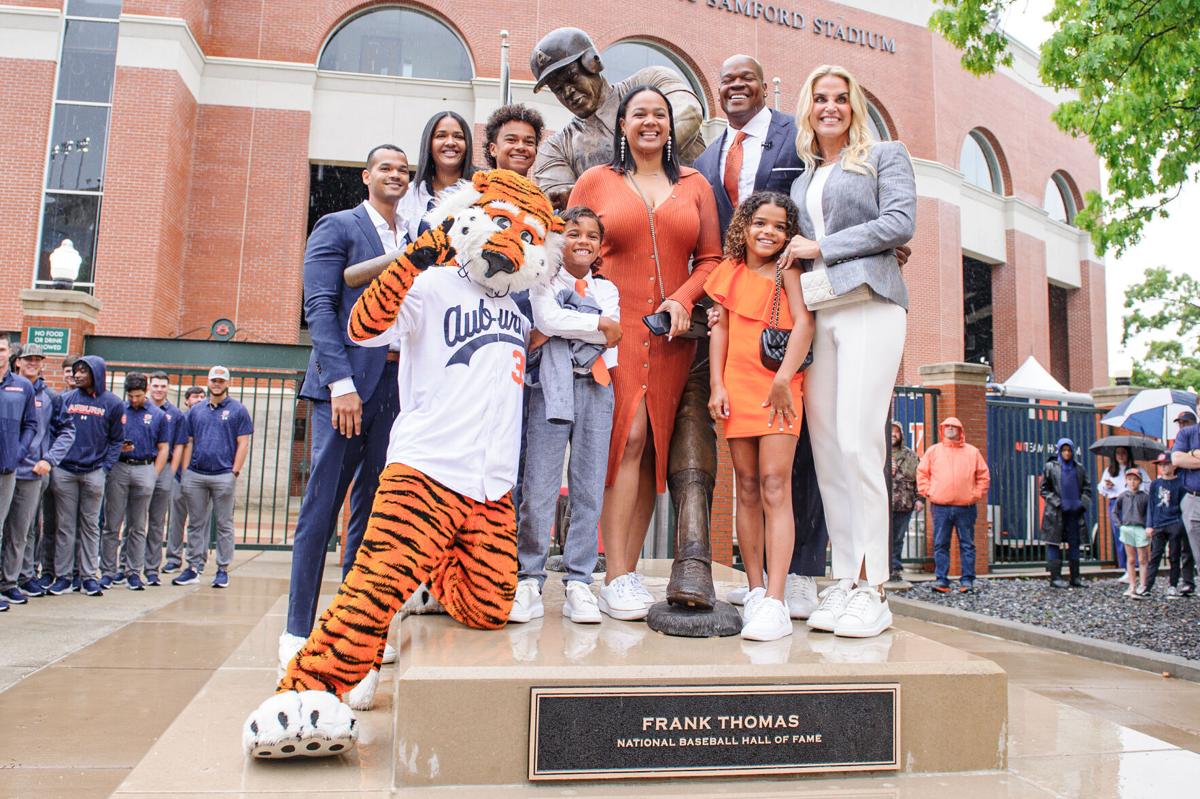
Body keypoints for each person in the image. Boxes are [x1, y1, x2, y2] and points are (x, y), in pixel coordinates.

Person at [566, 85, 722, 620]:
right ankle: (610, 574)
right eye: (639, 114)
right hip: (615, 330)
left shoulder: (696, 185)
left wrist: (683, 298)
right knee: (624, 440)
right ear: (623, 125)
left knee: (653, 446)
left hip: (674, 337)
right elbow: (572, 252)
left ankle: (626, 575)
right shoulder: (596, 181)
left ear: (670, 125)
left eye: (659, 114)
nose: (650, 122)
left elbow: (711, 259)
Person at [775, 65, 915, 638]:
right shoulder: (802, 179)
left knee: (860, 444)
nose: (830, 107)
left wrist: (821, 245)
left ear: (854, 105)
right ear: (808, 109)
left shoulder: (886, 155)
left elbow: (900, 222)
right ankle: (844, 582)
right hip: (822, 312)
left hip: (872, 305)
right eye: (819, 99)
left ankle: (874, 587)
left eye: (840, 98)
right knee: (829, 450)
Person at [283, 145, 407, 672]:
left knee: (374, 514)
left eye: (404, 170)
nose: (396, 175)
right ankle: (297, 631)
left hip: (399, 386)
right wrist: (339, 383)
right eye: (387, 168)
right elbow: (319, 308)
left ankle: (357, 629)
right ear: (367, 175)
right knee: (321, 509)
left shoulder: (413, 235)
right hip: (348, 388)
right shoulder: (337, 226)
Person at [706, 192, 814, 640]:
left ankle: (775, 598)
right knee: (745, 487)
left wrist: (785, 378)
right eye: (760, 223)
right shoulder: (729, 271)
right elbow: (721, 331)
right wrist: (717, 385)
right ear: (744, 227)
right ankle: (752, 588)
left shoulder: (789, 270)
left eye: (780, 226)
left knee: (775, 485)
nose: (769, 232)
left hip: (779, 388)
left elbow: (805, 323)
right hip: (737, 386)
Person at [511, 206, 620, 625]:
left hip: (596, 387)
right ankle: (529, 577)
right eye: (574, 233)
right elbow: (546, 318)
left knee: (588, 485)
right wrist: (593, 324)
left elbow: (613, 335)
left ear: (599, 246)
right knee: (538, 484)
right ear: (559, 240)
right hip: (549, 387)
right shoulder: (543, 281)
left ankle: (579, 579)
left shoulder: (608, 289)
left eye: (592, 236)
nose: (583, 241)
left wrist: (561, 328)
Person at [531, 27, 704, 209]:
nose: (568, 92)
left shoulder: (650, 81)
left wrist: (625, 168)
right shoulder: (556, 148)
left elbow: (688, 112)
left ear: (593, 63)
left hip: (688, 218)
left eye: (572, 77)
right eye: (557, 88)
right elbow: (561, 202)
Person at [45, 356, 123, 597]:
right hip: (65, 471)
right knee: (65, 526)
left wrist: (105, 468)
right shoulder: (64, 400)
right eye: (75, 371)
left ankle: (88, 577)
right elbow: (53, 433)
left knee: (90, 525)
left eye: (82, 371)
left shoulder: (112, 403)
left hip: (94, 472)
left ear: (97, 374)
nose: (76, 375)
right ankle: (64, 577)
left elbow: (116, 439)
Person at [172, 366, 253, 589]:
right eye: (213, 380)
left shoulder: (238, 410)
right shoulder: (196, 410)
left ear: (228, 383)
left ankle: (222, 569)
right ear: (208, 382)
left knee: (225, 524)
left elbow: (243, 442)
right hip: (197, 474)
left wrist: (234, 471)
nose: (217, 384)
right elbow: (188, 441)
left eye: (221, 380)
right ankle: (193, 568)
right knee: (196, 524)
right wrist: (186, 470)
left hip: (223, 475)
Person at [6, 344, 73, 600]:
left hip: (32, 472)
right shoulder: (7, 389)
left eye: (38, 359)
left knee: (25, 529)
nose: (33, 363)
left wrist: (50, 459)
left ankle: (20, 577)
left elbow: (67, 430)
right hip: (6, 467)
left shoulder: (50, 397)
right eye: (28, 359)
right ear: (17, 362)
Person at [98, 373, 169, 591]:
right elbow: (107, 439)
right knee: (112, 524)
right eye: (131, 395)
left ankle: (133, 572)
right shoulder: (118, 410)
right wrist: (118, 449)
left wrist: (153, 474)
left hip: (144, 466)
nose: (134, 399)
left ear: (145, 391)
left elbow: (164, 446)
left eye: (138, 395)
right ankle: (108, 571)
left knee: (138, 526)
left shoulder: (157, 415)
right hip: (120, 466)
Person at [916, 418, 990, 593]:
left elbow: (983, 476)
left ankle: (968, 580)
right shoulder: (934, 451)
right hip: (940, 506)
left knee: (967, 544)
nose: (950, 429)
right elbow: (922, 473)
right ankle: (942, 580)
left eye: (954, 426)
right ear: (942, 429)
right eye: (947, 426)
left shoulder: (972, 452)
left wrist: (975, 494)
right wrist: (929, 492)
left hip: (966, 507)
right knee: (941, 543)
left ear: (960, 430)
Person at [140, 371, 189, 585]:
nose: (159, 389)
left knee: (157, 521)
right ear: (150, 387)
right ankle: (127, 565)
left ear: (168, 388)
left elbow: (179, 445)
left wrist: (172, 471)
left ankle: (152, 567)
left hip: (165, 469)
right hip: (142, 465)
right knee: (135, 519)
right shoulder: (137, 409)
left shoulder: (176, 415)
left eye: (162, 386)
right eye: (156, 386)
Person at [0, 337, 37, 612]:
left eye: (1, 349)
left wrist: (17, 453)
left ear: (10, 353)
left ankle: (7, 584)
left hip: (6, 468)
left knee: (6, 529)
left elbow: (31, 425)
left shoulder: (22, 386)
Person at [398, 112, 476, 240]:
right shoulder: (409, 194)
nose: (450, 142)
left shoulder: (483, 189)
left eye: (458, 136)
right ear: (428, 144)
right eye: (441, 136)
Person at [161, 386, 206, 573]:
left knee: (200, 521)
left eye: (202, 397)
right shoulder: (180, 419)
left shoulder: (207, 419)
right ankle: (173, 558)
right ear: (187, 400)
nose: (199, 400)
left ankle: (199, 560)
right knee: (176, 520)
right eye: (195, 397)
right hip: (180, 476)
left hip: (203, 477)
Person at [1040, 437, 1093, 588]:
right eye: (1064, 450)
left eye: (1069, 450)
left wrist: (1080, 503)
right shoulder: (1050, 467)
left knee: (1074, 544)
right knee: (1053, 543)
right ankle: (1055, 577)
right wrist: (1058, 502)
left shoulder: (1080, 468)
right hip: (1056, 513)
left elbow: (1087, 489)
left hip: (1074, 513)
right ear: (1059, 451)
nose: (1067, 453)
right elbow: (1044, 489)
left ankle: (1075, 577)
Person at [1145, 453, 1194, 597]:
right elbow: (1151, 505)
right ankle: (1147, 585)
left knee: (1174, 555)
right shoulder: (1155, 484)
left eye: (1166, 464)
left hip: (1174, 522)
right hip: (1159, 523)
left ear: (1174, 465)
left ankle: (1173, 584)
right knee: (1155, 555)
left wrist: (1180, 523)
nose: (1163, 467)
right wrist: (1149, 524)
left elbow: (1183, 505)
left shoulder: (1180, 484)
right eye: (1160, 465)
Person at [1097, 445, 1149, 574]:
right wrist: (1107, 485)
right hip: (1116, 503)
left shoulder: (1137, 469)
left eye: (1123, 453)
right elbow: (1101, 488)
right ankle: (1127, 568)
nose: (1120, 456)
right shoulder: (1110, 470)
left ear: (1128, 454)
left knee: (1137, 534)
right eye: (1118, 453)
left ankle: (1138, 565)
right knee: (1121, 535)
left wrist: (1137, 486)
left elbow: (1148, 485)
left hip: (1134, 503)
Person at [1170, 416, 1200, 596]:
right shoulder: (1187, 433)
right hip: (1193, 500)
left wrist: (1194, 454)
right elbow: (1177, 459)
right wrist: (1190, 455)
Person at [889, 420, 921, 583]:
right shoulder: (879, 452)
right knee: (881, 537)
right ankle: (879, 570)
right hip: (881, 504)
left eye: (897, 431)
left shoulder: (911, 455)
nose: (893, 434)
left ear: (901, 435)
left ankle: (894, 569)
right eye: (890, 431)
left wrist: (920, 499)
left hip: (904, 503)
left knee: (897, 538)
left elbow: (919, 479)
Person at [1114, 470, 1151, 598]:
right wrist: (1120, 525)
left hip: (1140, 528)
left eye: (1135, 479)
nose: (1132, 482)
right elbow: (1114, 511)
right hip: (1127, 528)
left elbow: (1149, 512)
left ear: (1139, 481)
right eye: (1129, 479)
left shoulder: (1145, 497)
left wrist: (1148, 526)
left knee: (1142, 558)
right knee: (1130, 558)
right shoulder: (1123, 496)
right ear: (1126, 481)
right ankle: (1132, 585)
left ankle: (1143, 585)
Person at [485, 103, 544, 177]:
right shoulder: (475, 188)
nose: (521, 147)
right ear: (493, 149)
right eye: (511, 140)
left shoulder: (543, 188)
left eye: (529, 142)